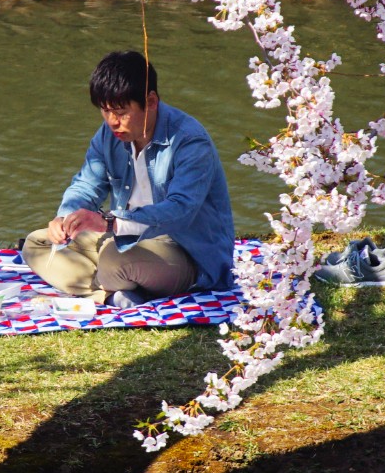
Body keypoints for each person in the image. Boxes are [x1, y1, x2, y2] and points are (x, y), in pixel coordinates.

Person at [23, 51, 235, 306]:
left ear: (151, 101)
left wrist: (109, 224)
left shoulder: (189, 141)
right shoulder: (109, 135)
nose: (112, 121)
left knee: (114, 260)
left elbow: (181, 210)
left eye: (121, 112)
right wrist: (65, 219)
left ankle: (112, 283)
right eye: (105, 110)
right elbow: (87, 185)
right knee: (37, 244)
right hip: (123, 240)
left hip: (185, 252)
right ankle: (112, 294)